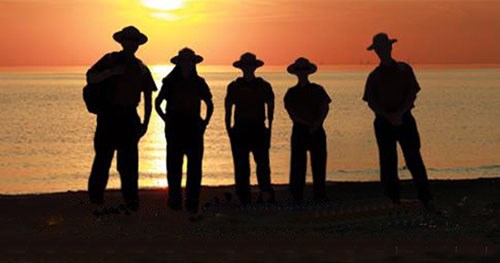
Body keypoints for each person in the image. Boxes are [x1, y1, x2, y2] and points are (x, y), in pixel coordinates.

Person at [86, 26, 157, 215]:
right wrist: (111, 73)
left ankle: (131, 201)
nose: (131, 44)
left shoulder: (141, 67)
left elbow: (149, 97)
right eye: (128, 40)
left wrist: (146, 123)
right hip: (108, 117)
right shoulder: (109, 59)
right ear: (121, 42)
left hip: (129, 119)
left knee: (128, 164)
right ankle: (95, 199)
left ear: (137, 45)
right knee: (102, 159)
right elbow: (90, 78)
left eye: (134, 41)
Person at [363, 33, 433, 209]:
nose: (382, 51)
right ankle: (392, 198)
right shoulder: (374, 76)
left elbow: (412, 94)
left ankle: (425, 197)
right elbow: (372, 102)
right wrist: (388, 116)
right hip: (383, 122)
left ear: (390, 48)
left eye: (384, 47)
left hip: (405, 119)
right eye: (378, 49)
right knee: (387, 161)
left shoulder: (404, 69)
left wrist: (400, 113)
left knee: (413, 158)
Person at [155, 48, 213, 217]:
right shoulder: (170, 81)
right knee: (174, 168)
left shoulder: (199, 82)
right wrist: (166, 119)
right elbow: (158, 103)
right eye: (184, 61)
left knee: (195, 169)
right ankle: (175, 202)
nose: (187, 64)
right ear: (179, 63)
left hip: (194, 129)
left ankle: (192, 203)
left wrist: (204, 122)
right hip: (175, 130)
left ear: (193, 63)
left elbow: (210, 104)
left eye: (190, 61)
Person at [225, 52, 275, 206]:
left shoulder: (264, 85)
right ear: (242, 68)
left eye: (250, 65)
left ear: (254, 67)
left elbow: (271, 107)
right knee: (241, 165)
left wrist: (269, 128)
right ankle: (243, 196)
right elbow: (228, 109)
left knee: (262, 164)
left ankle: (265, 193)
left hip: (258, 127)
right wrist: (229, 129)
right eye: (246, 66)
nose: (248, 68)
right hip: (240, 128)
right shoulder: (234, 86)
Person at [284, 57, 331, 203]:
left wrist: (317, 124)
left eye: (304, 70)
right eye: (300, 70)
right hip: (300, 130)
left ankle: (320, 194)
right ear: (296, 73)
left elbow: (325, 107)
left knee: (319, 163)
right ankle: (297, 194)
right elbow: (291, 113)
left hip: (317, 129)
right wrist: (307, 124)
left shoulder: (318, 89)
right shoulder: (291, 92)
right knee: (298, 164)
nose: (302, 73)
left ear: (308, 72)